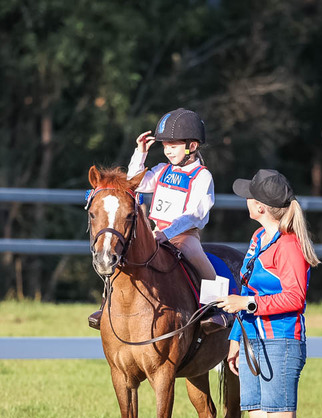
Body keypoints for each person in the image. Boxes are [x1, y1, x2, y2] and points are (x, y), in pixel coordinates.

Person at [215, 169, 320, 418]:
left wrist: (248, 304)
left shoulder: (288, 246)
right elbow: (247, 290)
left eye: (249, 195)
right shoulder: (258, 238)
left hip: (281, 342)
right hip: (252, 341)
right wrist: (235, 340)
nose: (245, 199)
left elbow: (295, 297)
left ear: (260, 206)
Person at [89, 108, 229, 333]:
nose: (167, 151)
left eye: (173, 146)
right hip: (155, 233)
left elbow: (195, 214)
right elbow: (135, 182)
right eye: (165, 146)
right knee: (123, 255)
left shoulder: (202, 176)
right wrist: (140, 152)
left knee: (200, 260)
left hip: (184, 236)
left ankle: (217, 309)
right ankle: (106, 304)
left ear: (192, 146)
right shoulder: (162, 170)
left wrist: (168, 233)